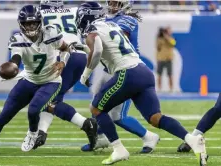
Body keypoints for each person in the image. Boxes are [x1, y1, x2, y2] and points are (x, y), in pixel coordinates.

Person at [77, 2, 207, 165]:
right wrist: (83, 47)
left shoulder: (100, 27)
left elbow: (97, 49)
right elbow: (106, 47)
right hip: (143, 72)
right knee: (155, 118)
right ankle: (192, 140)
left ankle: (119, 150)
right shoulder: (110, 24)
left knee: (96, 109)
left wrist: (85, 74)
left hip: (127, 72)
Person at [0, 4, 93, 158]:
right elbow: (16, 57)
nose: (30, 27)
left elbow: (66, 48)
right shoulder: (18, 39)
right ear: (21, 24)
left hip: (50, 81)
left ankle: (33, 132)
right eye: (27, 24)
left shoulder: (51, 32)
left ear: (40, 22)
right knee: (3, 117)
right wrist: (12, 66)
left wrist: (63, 62)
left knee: (34, 109)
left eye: (33, 23)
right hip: (29, 80)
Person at [81, 0, 159, 153]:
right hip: (109, 69)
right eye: (111, 2)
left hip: (126, 69)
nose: (113, 6)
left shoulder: (127, 19)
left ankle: (148, 136)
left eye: (117, 3)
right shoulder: (103, 20)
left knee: (117, 115)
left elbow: (109, 43)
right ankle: (100, 138)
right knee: (96, 104)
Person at [24, 0, 98, 151]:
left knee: (48, 99)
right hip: (80, 56)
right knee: (52, 98)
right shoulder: (74, 10)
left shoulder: (40, 14)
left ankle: (86, 124)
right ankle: (42, 132)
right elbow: (94, 11)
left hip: (62, 56)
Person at [156, 26, 176, 92]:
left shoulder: (171, 38)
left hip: (168, 59)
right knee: (159, 75)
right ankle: (159, 88)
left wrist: (166, 37)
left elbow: (173, 43)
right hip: (161, 59)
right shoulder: (159, 38)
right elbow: (157, 47)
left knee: (170, 74)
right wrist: (160, 37)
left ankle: (171, 89)